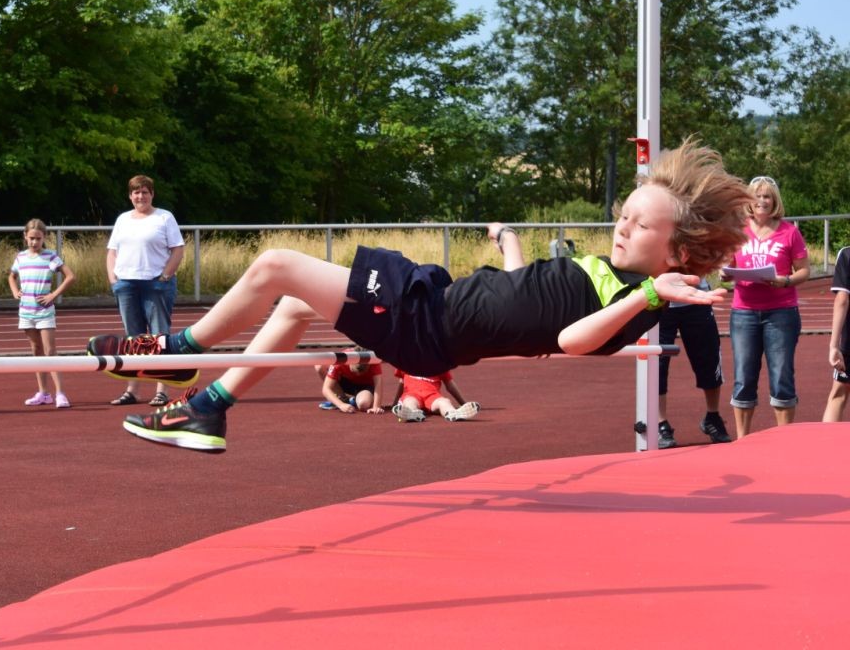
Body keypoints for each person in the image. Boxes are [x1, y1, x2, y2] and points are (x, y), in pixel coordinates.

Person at [98, 139, 751, 454]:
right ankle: (210, 407)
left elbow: (570, 342)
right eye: (624, 212)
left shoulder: (636, 296)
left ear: (676, 252)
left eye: (640, 226)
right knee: (295, 304)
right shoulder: (603, 272)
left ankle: (181, 352)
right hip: (431, 300)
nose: (622, 225)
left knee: (274, 264)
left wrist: (652, 298)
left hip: (422, 321)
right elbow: (524, 295)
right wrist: (508, 246)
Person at [724, 175, 809, 438]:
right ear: (749, 200)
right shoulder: (737, 230)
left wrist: (784, 281)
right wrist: (725, 273)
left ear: (775, 201)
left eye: (767, 196)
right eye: (758, 196)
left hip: (781, 312)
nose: (762, 201)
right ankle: (742, 439)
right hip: (744, 312)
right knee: (743, 376)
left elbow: (804, 271)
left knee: (782, 376)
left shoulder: (789, 232)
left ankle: (784, 439)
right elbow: (726, 265)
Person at [104, 174, 188, 407]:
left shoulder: (164, 217)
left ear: (152, 194)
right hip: (127, 285)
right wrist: (113, 280)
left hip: (155, 284)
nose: (140, 196)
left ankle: (162, 389)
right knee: (134, 340)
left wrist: (164, 276)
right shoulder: (123, 219)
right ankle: (132, 390)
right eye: (136, 192)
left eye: (145, 192)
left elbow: (178, 249)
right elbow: (112, 251)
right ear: (130, 196)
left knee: (159, 338)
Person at [634, 279, 731, 448]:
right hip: (660, 302)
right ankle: (660, 423)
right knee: (658, 364)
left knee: (709, 358)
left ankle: (713, 417)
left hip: (696, 300)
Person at [8, 219, 76, 408]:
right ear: (25, 236)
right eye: (31, 238)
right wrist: (15, 291)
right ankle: (43, 393)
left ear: (44, 237)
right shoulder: (21, 257)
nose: (34, 242)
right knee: (36, 351)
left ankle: (60, 393)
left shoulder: (50, 256)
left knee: (50, 351)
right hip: (26, 311)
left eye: (38, 239)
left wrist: (53, 294)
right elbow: (11, 276)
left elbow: (70, 276)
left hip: (44, 312)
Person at [822, 246, 850, 422]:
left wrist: (833, 345)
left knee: (839, 394)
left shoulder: (847, 254)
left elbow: (842, 299)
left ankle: (825, 446)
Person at [391, 369, 480, 422]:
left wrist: (463, 403)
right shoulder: (405, 360)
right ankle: (412, 413)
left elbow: (450, 386)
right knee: (409, 401)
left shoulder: (439, 362)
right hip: (412, 394)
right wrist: (394, 403)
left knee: (444, 402)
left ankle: (453, 413)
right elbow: (401, 383)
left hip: (432, 395)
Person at [319, 352, 385, 413]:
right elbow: (326, 388)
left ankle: (354, 400)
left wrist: (376, 406)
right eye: (355, 371)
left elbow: (378, 384)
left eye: (362, 372)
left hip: (365, 386)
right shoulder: (341, 360)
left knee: (364, 404)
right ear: (350, 362)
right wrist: (341, 405)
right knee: (319, 367)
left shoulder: (373, 360)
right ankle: (342, 399)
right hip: (346, 383)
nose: (358, 375)